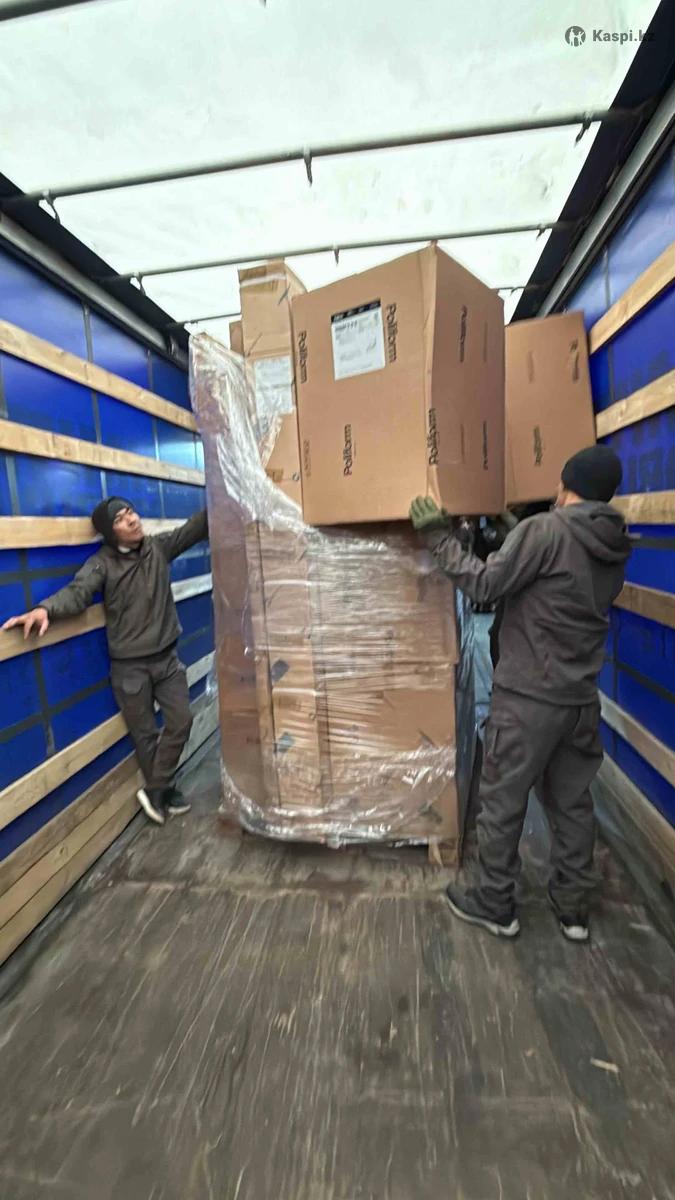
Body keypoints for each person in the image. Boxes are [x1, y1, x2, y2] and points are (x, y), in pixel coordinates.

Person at [410, 446, 631, 943]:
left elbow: (485, 584)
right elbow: (559, 580)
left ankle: (494, 902)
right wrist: (518, 532)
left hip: (529, 696)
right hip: (579, 700)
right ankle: (573, 909)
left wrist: (437, 537)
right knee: (572, 803)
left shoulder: (545, 532)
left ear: (566, 484)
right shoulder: (612, 543)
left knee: (503, 799)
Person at [2, 498, 209, 827]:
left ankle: (155, 789)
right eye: (121, 519)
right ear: (110, 534)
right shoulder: (102, 564)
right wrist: (45, 609)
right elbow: (77, 592)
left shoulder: (158, 548)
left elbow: (194, 529)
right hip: (130, 669)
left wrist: (223, 499)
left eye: (132, 512)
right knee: (145, 737)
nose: (133, 520)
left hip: (167, 659)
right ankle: (164, 790)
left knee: (181, 720)